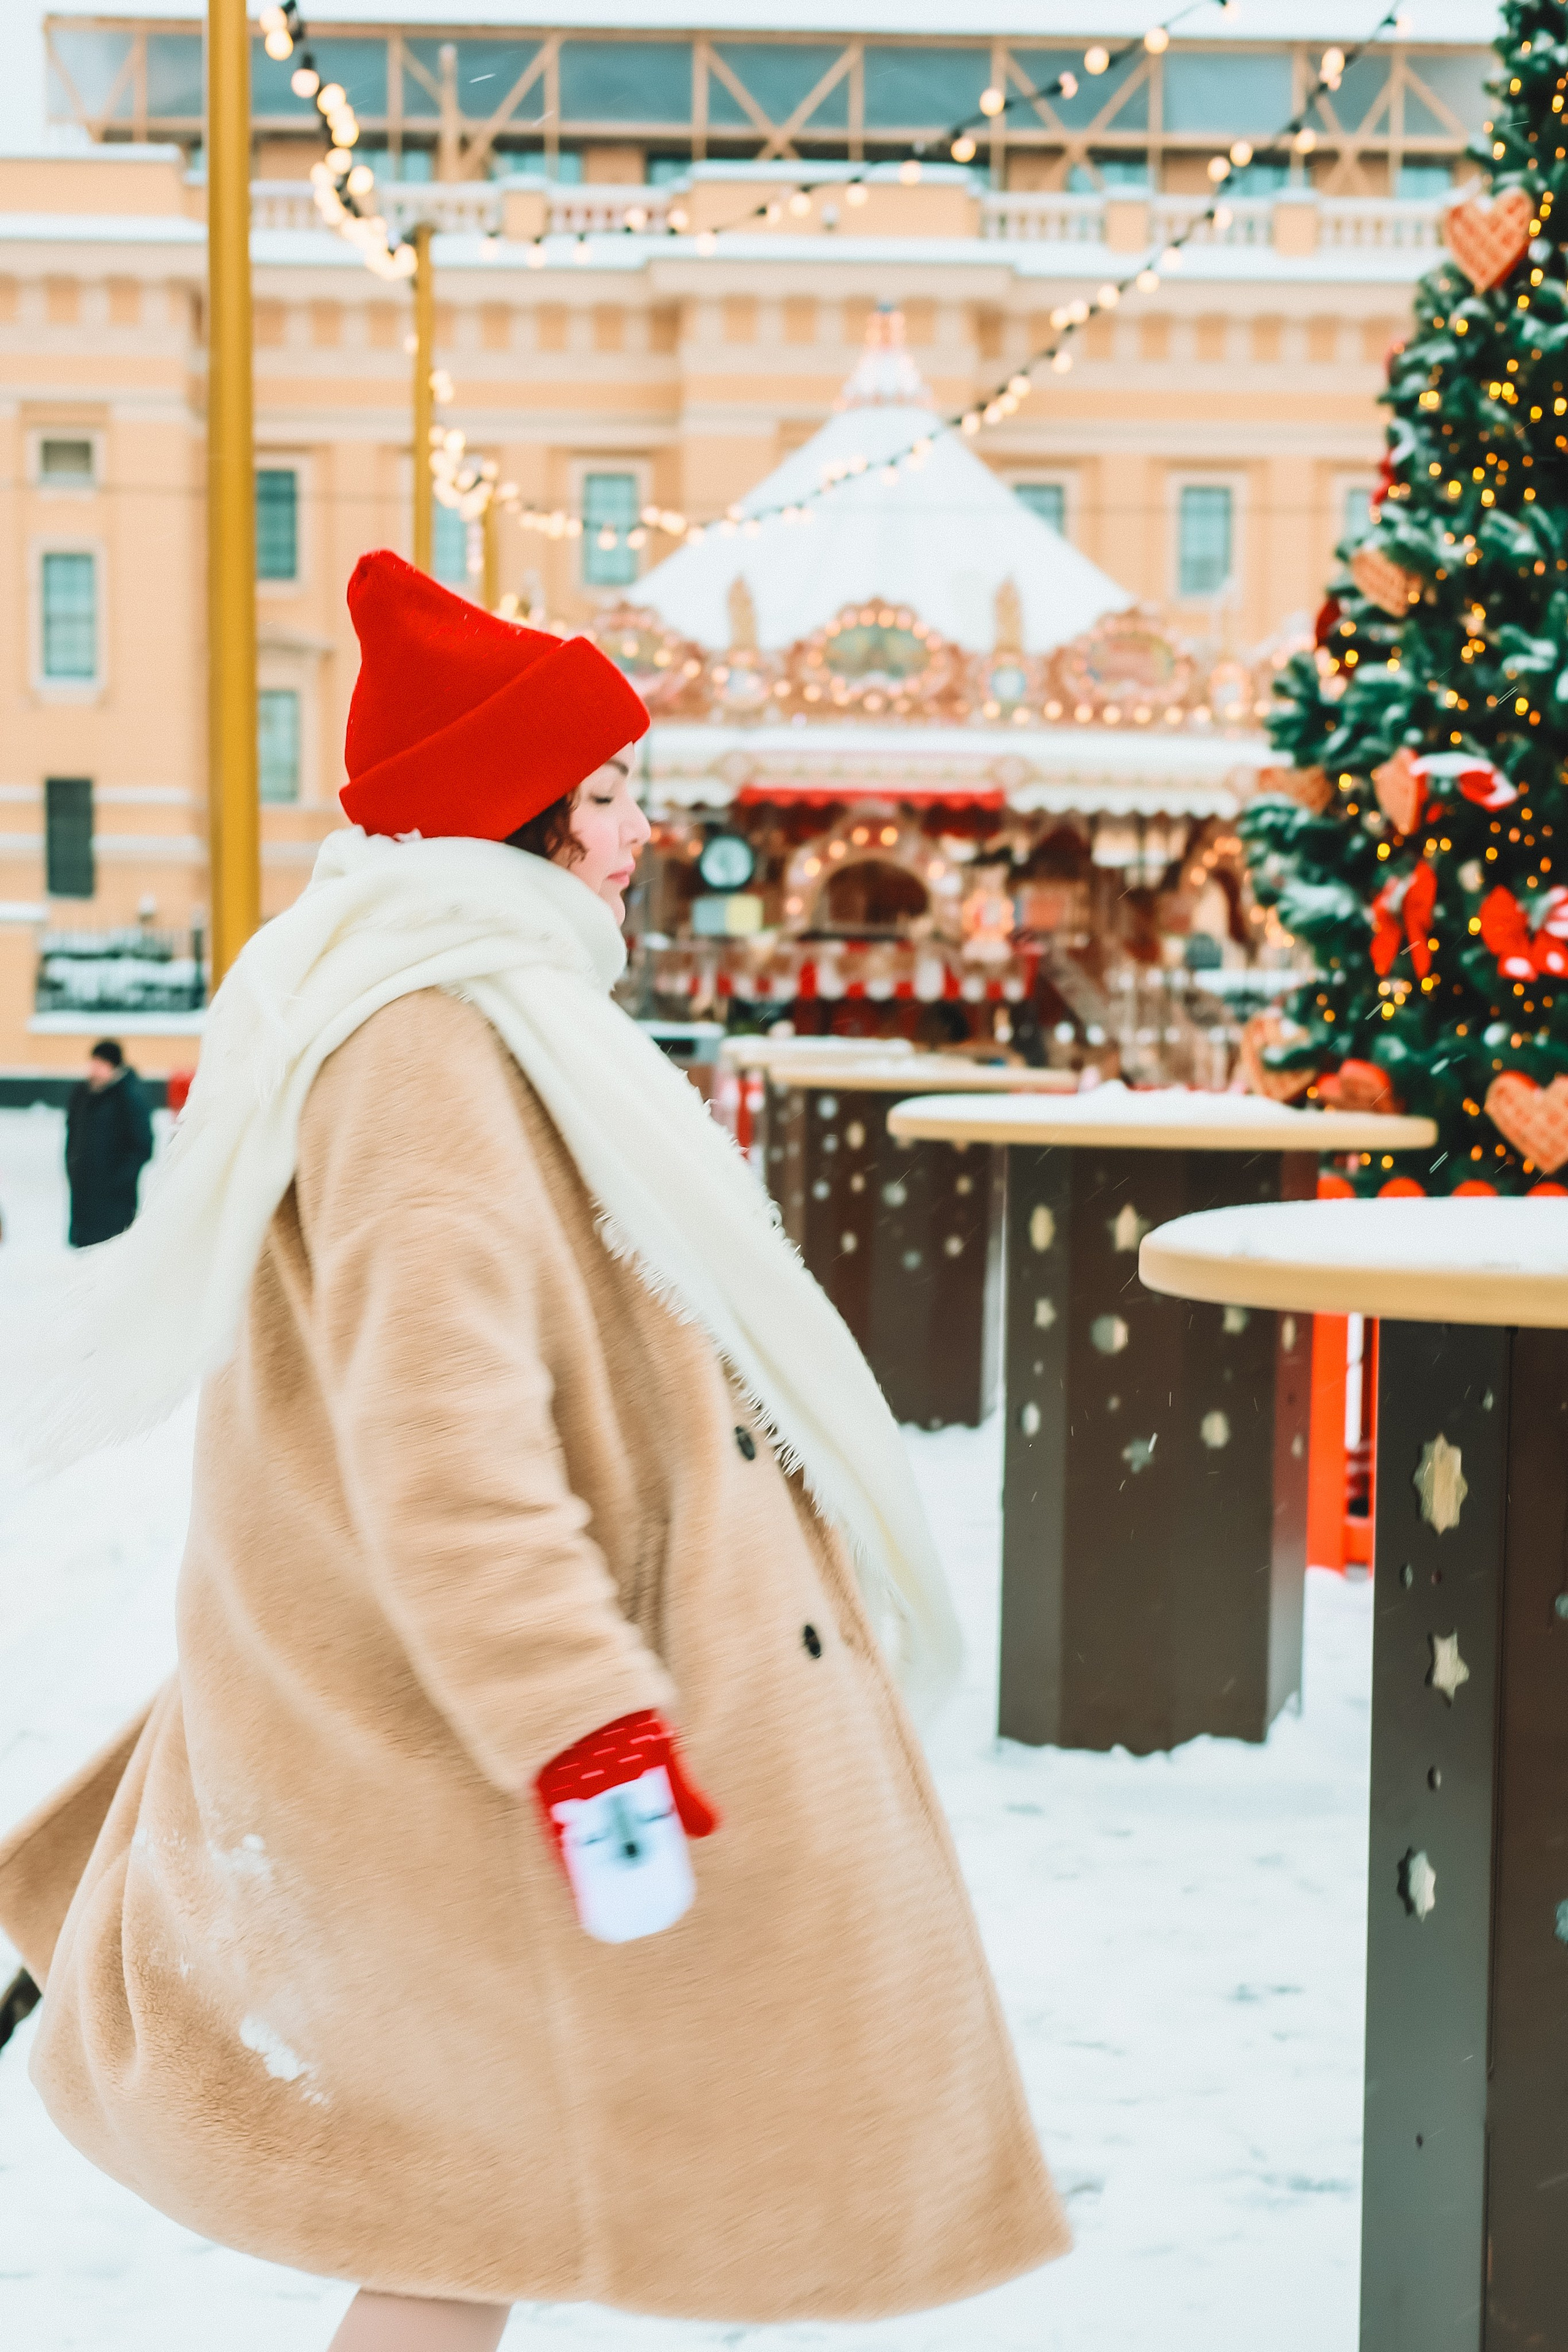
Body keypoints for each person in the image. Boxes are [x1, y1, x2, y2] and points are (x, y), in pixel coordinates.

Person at [0, 551, 1069, 2351]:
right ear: (522, 810)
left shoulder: (478, 1011)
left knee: (481, 2212)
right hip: (484, 1757)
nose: (642, 826)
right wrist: (584, 1731)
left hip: (467, 1745)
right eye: (607, 789)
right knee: (466, 2214)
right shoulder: (428, 1039)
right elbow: (445, 1440)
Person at [64, 1038, 153, 1247]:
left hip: (115, 1199)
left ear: (114, 1067)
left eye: (100, 1064)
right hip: (84, 1192)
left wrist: (119, 1179)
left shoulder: (129, 1097)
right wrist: (72, 1166)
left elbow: (143, 1146)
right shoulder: (82, 1094)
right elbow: (72, 1134)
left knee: (111, 1251)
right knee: (84, 1253)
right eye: (92, 1063)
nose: (94, 1070)